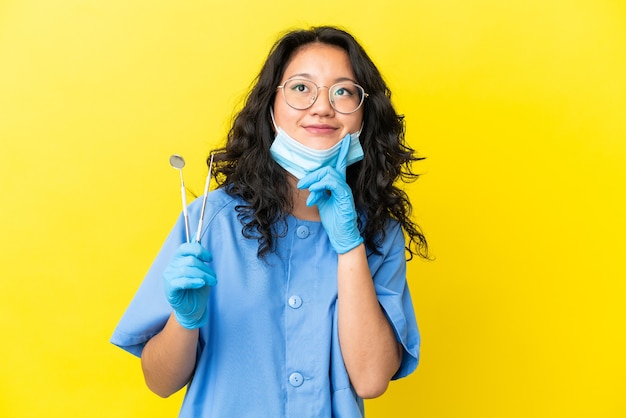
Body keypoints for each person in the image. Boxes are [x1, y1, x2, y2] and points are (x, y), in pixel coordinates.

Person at [111, 25, 428, 417]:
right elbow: (160, 382)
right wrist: (185, 320)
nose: (322, 106)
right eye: (300, 88)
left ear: (365, 115)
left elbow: (371, 379)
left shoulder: (378, 232)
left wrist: (349, 247)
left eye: (343, 91)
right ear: (270, 105)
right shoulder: (211, 220)